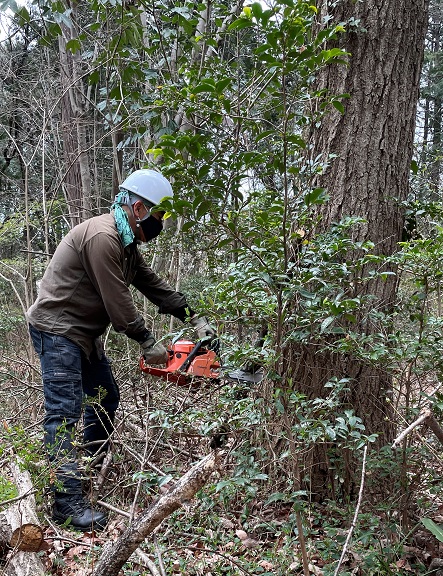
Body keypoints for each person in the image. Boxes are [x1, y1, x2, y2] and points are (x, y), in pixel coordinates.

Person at [26, 169, 217, 532]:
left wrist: (196, 317)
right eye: (160, 215)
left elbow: (153, 285)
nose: (160, 223)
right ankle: (66, 504)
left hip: (83, 334)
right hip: (57, 331)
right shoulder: (103, 237)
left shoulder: (125, 243)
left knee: (105, 397)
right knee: (64, 413)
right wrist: (147, 340)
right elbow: (118, 302)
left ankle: (89, 466)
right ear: (140, 207)